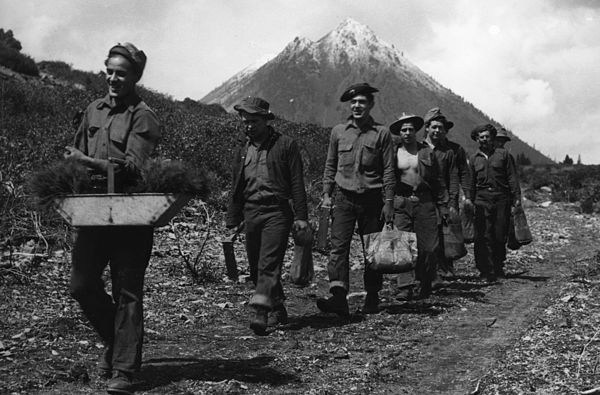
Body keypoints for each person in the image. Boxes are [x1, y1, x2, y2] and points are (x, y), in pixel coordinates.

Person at [64, 42, 160, 395]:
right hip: (92, 208)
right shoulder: (93, 109)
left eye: (121, 73)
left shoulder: (143, 116)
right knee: (81, 284)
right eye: (109, 71)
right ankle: (115, 342)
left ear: (135, 76)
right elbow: (74, 154)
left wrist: (87, 162)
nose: (113, 78)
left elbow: (133, 170)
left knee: (127, 290)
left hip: (131, 210)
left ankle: (124, 370)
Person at [226, 96, 308, 335]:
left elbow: (296, 183)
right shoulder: (242, 148)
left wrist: (301, 216)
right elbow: (236, 184)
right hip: (251, 211)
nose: (249, 126)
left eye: (253, 121)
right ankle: (278, 304)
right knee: (254, 267)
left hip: (277, 212)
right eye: (245, 122)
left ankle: (260, 312)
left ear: (265, 120)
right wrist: (233, 216)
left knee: (268, 264)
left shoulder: (285, 145)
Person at [317, 82, 395, 316]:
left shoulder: (382, 133)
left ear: (371, 105)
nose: (357, 106)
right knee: (338, 249)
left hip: (372, 200)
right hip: (343, 198)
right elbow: (330, 165)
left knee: (372, 250)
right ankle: (339, 297)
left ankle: (372, 296)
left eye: (362, 102)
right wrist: (326, 194)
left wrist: (389, 202)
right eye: (354, 103)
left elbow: (389, 169)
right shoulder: (338, 132)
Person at [389, 113, 448, 298]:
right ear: (399, 133)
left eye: (411, 130)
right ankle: (404, 286)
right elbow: (387, 179)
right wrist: (387, 203)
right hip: (401, 202)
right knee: (402, 244)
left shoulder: (426, 152)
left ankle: (425, 280)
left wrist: (443, 206)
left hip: (425, 202)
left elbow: (438, 181)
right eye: (403, 130)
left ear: (416, 131)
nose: (407, 133)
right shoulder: (393, 152)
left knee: (428, 247)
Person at [466, 124, 521, 281]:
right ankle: (484, 270)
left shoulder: (503, 155)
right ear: (477, 139)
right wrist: (469, 200)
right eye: (481, 137)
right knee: (482, 236)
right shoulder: (473, 158)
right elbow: (470, 182)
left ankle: (498, 267)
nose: (484, 139)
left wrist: (517, 199)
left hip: (501, 199)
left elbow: (512, 178)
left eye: (487, 136)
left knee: (499, 235)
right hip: (481, 200)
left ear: (492, 137)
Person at [422, 107, 469, 274]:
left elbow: (455, 176)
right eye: (434, 127)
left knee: (445, 232)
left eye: (440, 128)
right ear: (426, 127)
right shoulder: (418, 148)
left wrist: (454, 200)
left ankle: (444, 267)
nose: (437, 131)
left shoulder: (450, 151)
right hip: (423, 199)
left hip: (445, 197)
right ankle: (429, 271)